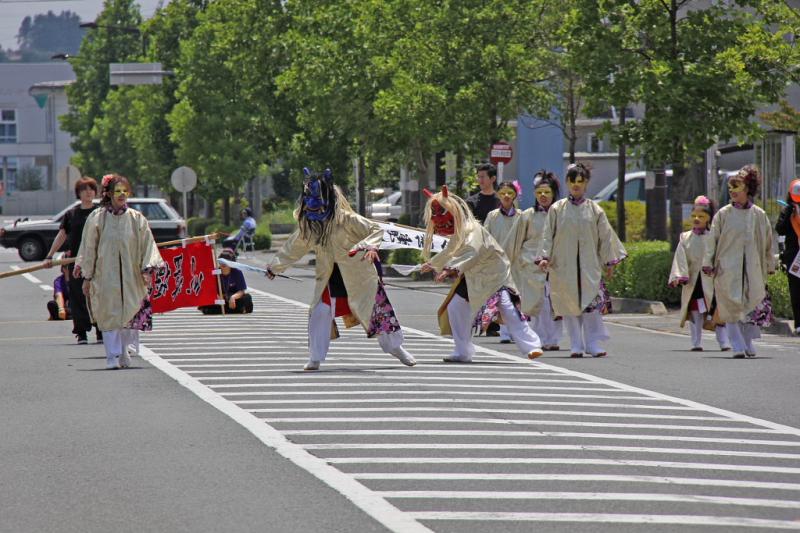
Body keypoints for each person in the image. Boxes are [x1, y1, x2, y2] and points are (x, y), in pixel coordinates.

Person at [266, 167, 416, 371]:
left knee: (377, 313)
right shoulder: (310, 225)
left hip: (359, 274)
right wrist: (275, 266)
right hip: (329, 276)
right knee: (319, 311)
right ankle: (315, 357)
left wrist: (370, 245)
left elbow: (376, 229)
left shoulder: (347, 219)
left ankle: (397, 349)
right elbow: (294, 246)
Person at [420, 186, 543, 362]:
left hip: (495, 276)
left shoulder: (472, 229)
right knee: (455, 306)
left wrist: (450, 269)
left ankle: (532, 346)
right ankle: (463, 351)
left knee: (508, 308)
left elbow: (471, 252)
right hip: (474, 276)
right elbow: (450, 250)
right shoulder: (460, 232)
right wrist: (433, 264)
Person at [75, 174, 164, 370]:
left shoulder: (136, 219)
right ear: (108, 193)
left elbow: (147, 244)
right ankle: (111, 356)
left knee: (129, 314)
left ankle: (124, 350)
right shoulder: (97, 219)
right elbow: (89, 248)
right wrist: (87, 275)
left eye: (125, 191)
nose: (122, 195)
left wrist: (148, 269)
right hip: (105, 275)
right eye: (118, 191)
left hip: (132, 275)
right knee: (109, 315)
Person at [538, 163, 627, 358]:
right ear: (567, 183)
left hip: (589, 267)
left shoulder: (595, 210)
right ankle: (576, 344)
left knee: (591, 307)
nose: (576, 185)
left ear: (586, 183)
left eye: (580, 181)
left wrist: (609, 262)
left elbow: (605, 237)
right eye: (572, 181)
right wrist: (544, 257)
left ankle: (593, 343)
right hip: (564, 267)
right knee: (570, 307)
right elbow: (547, 236)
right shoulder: (557, 209)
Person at [702, 165, 776, 358]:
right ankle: (737, 345)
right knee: (731, 307)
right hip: (727, 268)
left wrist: (770, 264)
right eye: (731, 186)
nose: (732, 191)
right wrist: (708, 262)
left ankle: (747, 342)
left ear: (747, 188)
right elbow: (712, 241)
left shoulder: (759, 215)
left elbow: (768, 242)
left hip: (753, 268)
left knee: (751, 307)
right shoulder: (723, 215)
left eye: (737, 185)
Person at [668, 196, 731, 351]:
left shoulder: (715, 237)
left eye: (701, 216)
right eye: (694, 215)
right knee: (695, 312)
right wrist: (680, 275)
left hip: (712, 282)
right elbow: (680, 258)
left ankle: (723, 342)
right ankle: (696, 342)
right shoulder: (685, 238)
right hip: (694, 282)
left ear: (709, 217)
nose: (696, 219)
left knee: (718, 311)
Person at [43, 177, 101, 344]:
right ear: (79, 193)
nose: (88, 192)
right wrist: (50, 255)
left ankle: (101, 330)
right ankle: (81, 332)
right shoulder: (71, 215)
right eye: (84, 190)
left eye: (91, 189)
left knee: (97, 295)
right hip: (76, 262)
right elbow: (62, 235)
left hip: (97, 261)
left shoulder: (100, 213)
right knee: (77, 297)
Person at [519, 171, 563, 351]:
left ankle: (553, 339)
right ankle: (537, 338)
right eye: (539, 193)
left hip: (556, 266)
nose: (543, 196)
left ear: (554, 193)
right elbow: (515, 241)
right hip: (531, 267)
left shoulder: (562, 214)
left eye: (547, 192)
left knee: (555, 304)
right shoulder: (527, 215)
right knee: (538, 305)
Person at [483, 180, 524, 343]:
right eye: (503, 193)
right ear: (498, 195)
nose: (506, 196)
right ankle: (506, 332)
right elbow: (485, 239)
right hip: (499, 264)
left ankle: (517, 331)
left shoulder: (522, 216)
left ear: (515, 195)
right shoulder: (492, 216)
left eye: (510, 193)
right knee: (502, 299)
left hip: (518, 264)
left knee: (517, 298)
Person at [775, 179, 800, 335]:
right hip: (794, 257)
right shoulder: (788, 211)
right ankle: (798, 323)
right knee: (796, 290)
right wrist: (788, 213)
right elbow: (780, 229)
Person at [199, 248, 254, 314]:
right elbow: (210, 290)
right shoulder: (215, 272)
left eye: (226, 261)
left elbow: (241, 291)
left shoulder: (237, 272)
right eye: (221, 261)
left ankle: (221, 311)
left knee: (247, 298)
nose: (223, 263)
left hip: (233, 299)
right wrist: (218, 297)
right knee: (204, 301)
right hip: (220, 299)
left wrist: (233, 297)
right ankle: (233, 310)